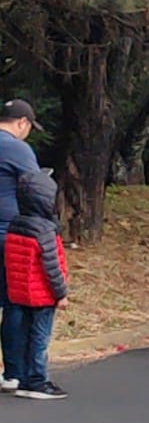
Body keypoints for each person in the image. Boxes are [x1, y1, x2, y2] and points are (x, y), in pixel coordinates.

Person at [3, 170, 67, 399]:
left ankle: (19, 376)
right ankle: (38, 381)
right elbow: (52, 266)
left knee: (21, 334)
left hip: (19, 292)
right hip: (42, 295)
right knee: (40, 337)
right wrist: (61, 293)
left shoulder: (15, 225)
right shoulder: (46, 230)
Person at [0, 99, 44, 392]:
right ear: (22, 123)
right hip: (7, 233)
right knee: (13, 302)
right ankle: (13, 372)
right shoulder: (17, 148)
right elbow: (37, 189)